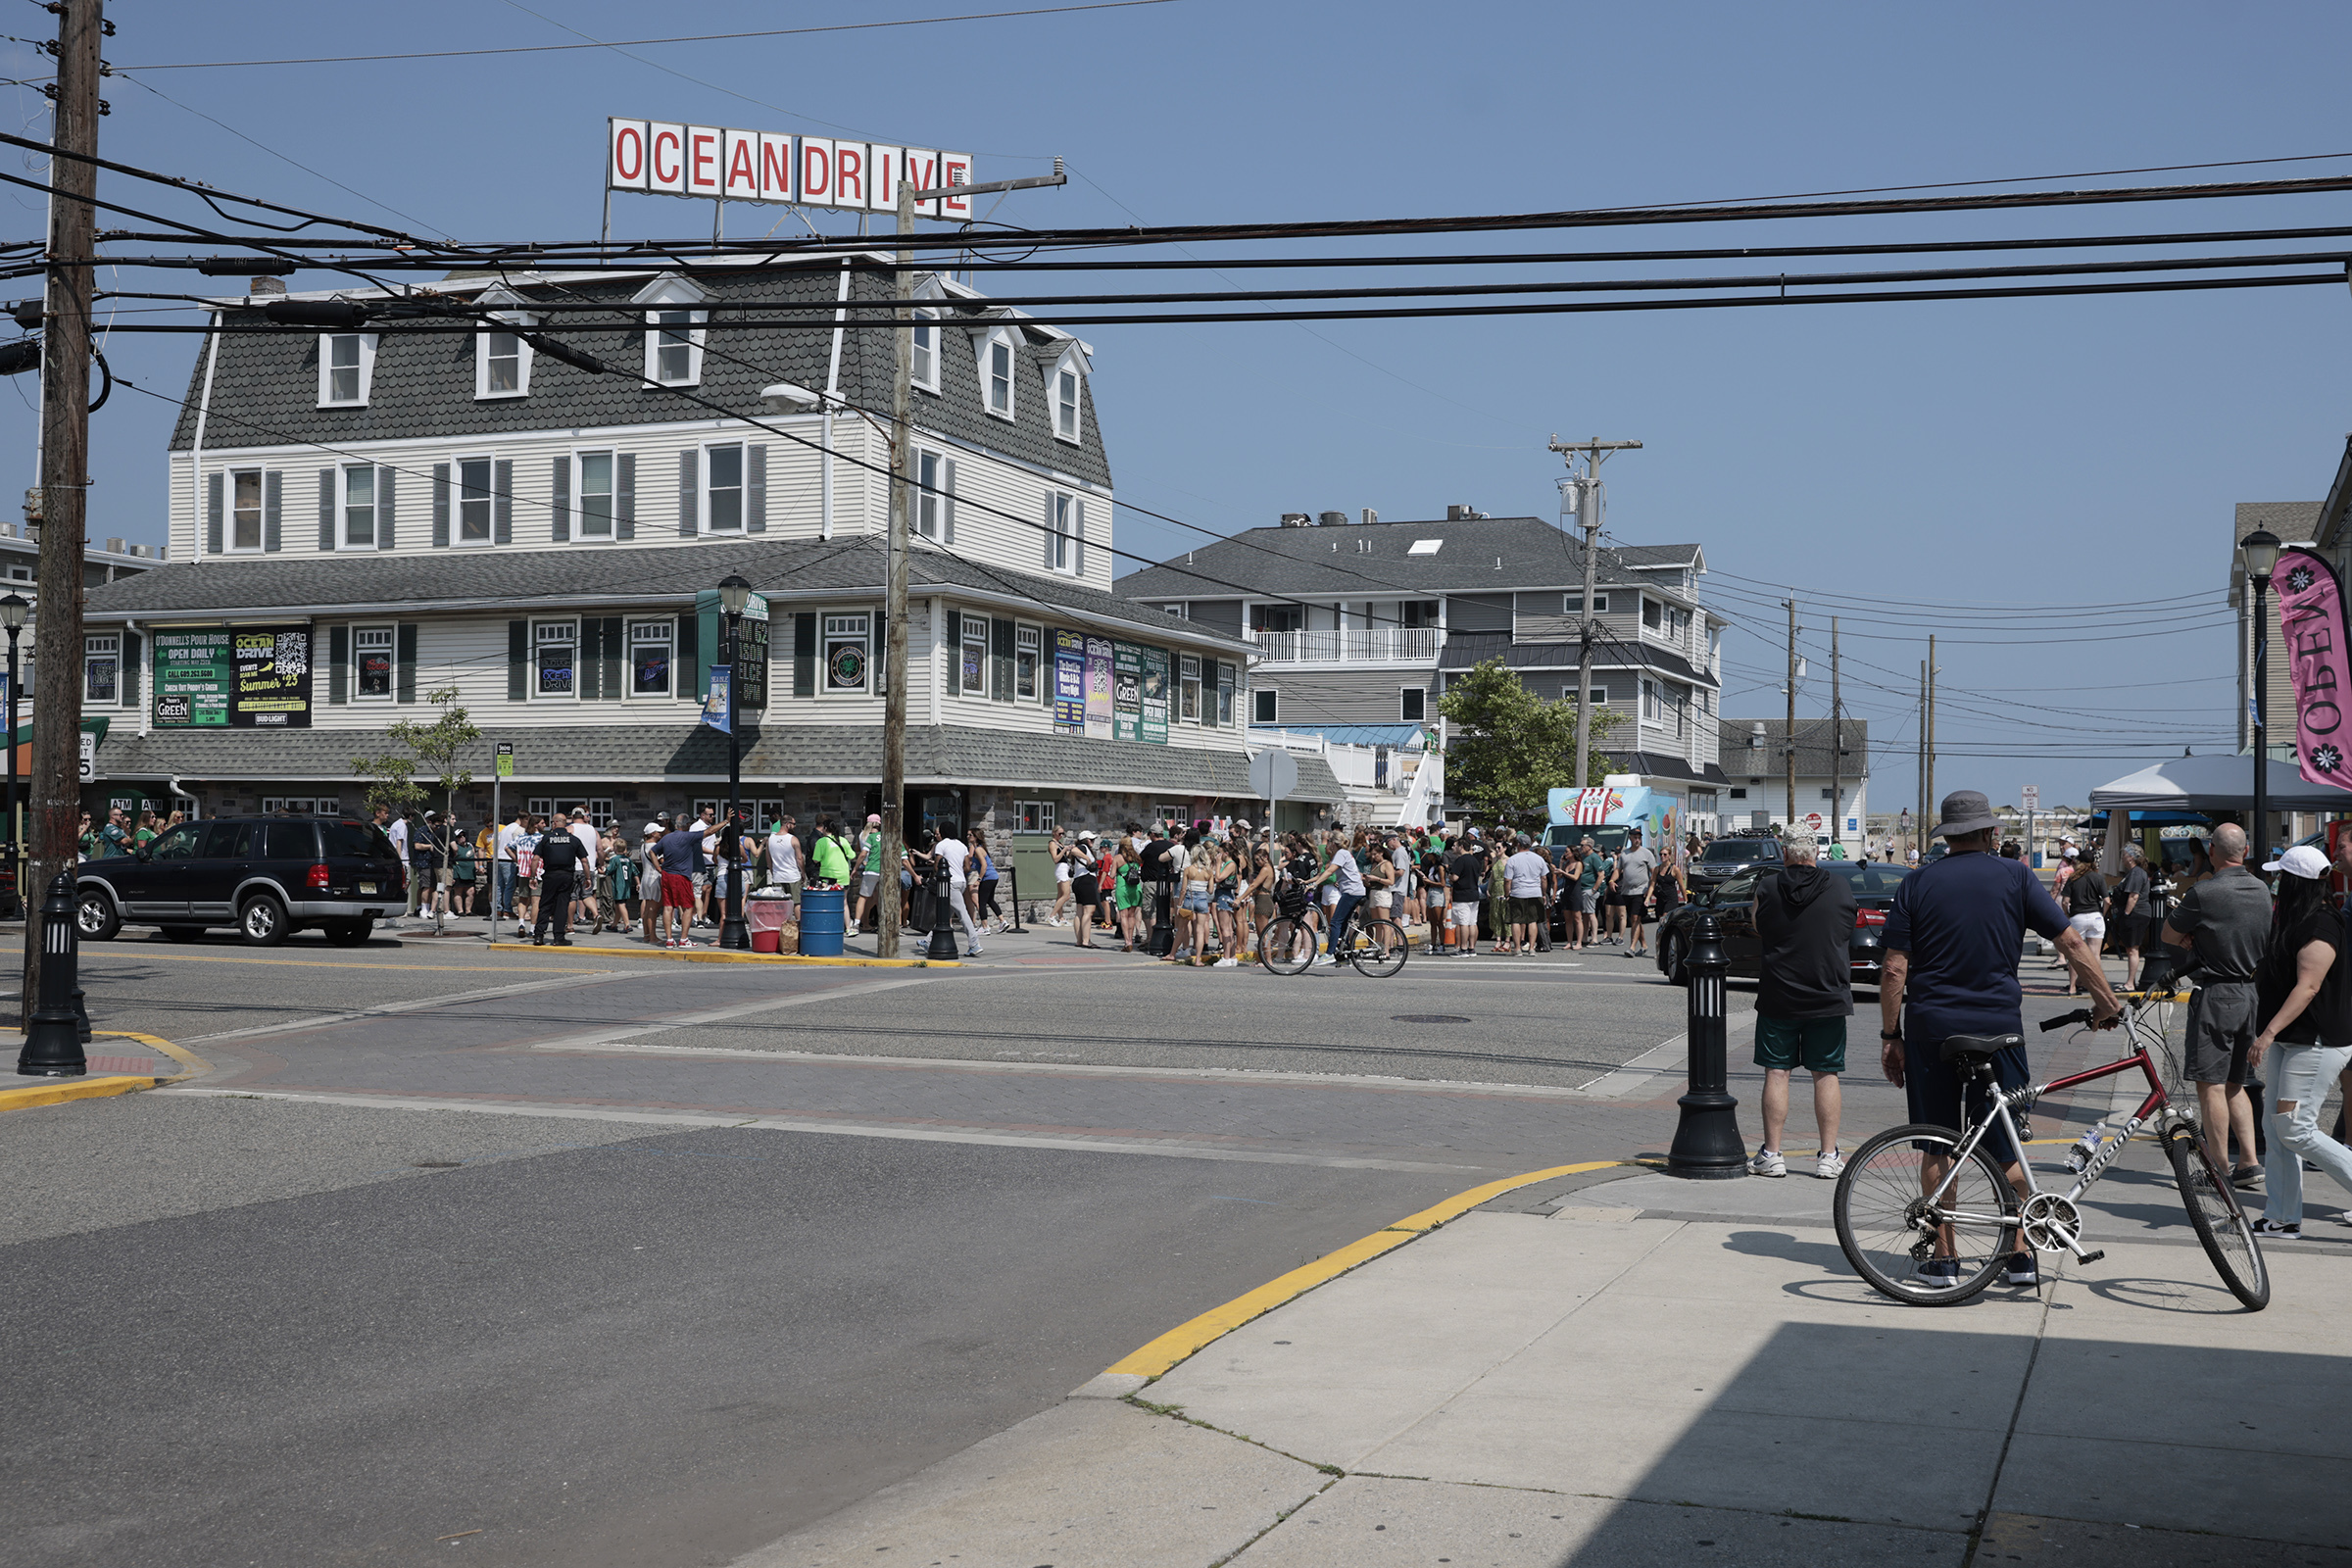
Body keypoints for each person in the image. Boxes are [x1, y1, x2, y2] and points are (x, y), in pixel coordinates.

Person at [1881, 791, 2121, 1290]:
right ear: (1991, 834)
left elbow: (1894, 968)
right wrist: (2106, 1002)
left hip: (1932, 1028)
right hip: (1999, 1027)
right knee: (2005, 1142)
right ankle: (2020, 1253)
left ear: (1946, 836)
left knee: (1936, 1143)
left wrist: (1890, 1035)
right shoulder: (2016, 877)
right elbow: (2071, 943)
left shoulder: (1917, 883)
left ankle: (1943, 1259)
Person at [2247, 842, 2352, 1238]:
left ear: (2295, 882)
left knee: (2295, 1129)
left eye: (2280, 877)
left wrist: (2267, 1034)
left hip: (2316, 1043)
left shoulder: (2321, 924)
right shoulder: (2296, 919)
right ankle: (2282, 1216)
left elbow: (2308, 988)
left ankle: (2285, 1214)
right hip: (2294, 1042)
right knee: (2276, 1129)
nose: (2275, 883)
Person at [2161, 822, 2268, 1185]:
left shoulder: (2204, 892)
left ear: (2211, 851)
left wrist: (2194, 937)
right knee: (2238, 1081)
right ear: (2247, 849)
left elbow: (2169, 934)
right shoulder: (2262, 890)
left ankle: (2218, 1168)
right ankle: (2250, 1161)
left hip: (2217, 993)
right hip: (2250, 992)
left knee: (2211, 1085)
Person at [1748, 832, 1855, 1179]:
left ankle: (1773, 1153)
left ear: (1785, 853)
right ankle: (1828, 1155)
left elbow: (1756, 925)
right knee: (1825, 1073)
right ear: (1817, 852)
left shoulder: (1767, 887)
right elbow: (1846, 929)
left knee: (1777, 1072)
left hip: (1779, 994)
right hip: (1827, 994)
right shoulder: (1839, 886)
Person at [931, 818, 984, 956]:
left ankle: (974, 943)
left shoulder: (941, 845)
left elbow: (937, 865)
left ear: (942, 832)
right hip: (961, 881)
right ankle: (928, 940)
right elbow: (967, 867)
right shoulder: (962, 845)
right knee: (944, 915)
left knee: (962, 913)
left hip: (949, 883)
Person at [532, 809, 584, 947]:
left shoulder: (546, 838)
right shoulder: (573, 839)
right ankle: (558, 937)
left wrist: (533, 876)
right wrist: (588, 877)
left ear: (555, 823)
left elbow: (535, 858)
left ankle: (538, 936)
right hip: (566, 876)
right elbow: (584, 860)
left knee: (545, 905)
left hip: (550, 875)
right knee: (562, 906)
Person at [2059, 852, 2107, 998]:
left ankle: (2072, 987)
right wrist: (2102, 914)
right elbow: (2107, 900)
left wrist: (2067, 914)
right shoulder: (2098, 878)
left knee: (2074, 954)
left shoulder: (2073, 878)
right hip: (2095, 917)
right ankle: (2093, 985)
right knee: (2095, 954)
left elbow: (2065, 901)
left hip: (2077, 917)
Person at [655, 818, 705, 949]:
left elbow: (652, 852)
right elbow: (709, 831)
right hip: (681, 875)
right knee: (688, 906)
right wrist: (725, 821)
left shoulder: (666, 838)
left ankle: (670, 940)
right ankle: (683, 939)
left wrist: (658, 868)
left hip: (666, 875)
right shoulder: (688, 836)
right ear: (687, 825)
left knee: (667, 907)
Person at [2109, 843, 2152, 990]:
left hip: (2136, 914)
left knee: (2132, 949)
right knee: (2131, 948)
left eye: (2124, 855)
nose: (2122, 858)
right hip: (2137, 914)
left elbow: (2133, 896)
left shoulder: (2136, 873)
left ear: (2131, 857)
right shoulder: (2134, 873)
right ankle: (2130, 981)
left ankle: (2130, 983)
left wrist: (2126, 914)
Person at [1502, 834, 1548, 956]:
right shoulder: (1538, 859)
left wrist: (1507, 894)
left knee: (1516, 921)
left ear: (1518, 845)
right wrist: (1544, 893)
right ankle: (1532, 948)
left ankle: (1517, 948)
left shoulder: (1513, 859)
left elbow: (1508, 880)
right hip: (1535, 892)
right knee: (1533, 920)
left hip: (1518, 892)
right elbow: (1544, 878)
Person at [1616, 828, 1659, 957]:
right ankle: (1644, 944)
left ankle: (1632, 947)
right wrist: (1612, 881)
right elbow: (1618, 870)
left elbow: (1654, 872)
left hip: (1641, 891)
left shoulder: (1646, 853)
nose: (1637, 840)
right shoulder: (1624, 854)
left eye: (1639, 837)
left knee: (1635, 918)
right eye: (1635, 837)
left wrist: (1651, 889)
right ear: (1630, 838)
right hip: (1627, 891)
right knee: (1636, 919)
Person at [1070, 829, 1103, 949]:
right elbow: (1073, 850)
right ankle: (1086, 940)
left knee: (1079, 912)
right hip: (1087, 881)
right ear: (1086, 840)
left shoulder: (1083, 847)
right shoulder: (1083, 847)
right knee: (1088, 912)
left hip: (1078, 881)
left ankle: (1079, 940)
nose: (1093, 841)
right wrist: (1088, 859)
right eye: (1091, 839)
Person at [766, 812, 802, 923]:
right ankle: (799, 927)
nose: (795, 826)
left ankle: (780, 927)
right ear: (787, 824)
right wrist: (803, 873)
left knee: (780, 904)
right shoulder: (793, 839)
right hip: (793, 876)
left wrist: (773, 872)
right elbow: (800, 859)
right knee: (796, 902)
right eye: (794, 824)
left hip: (778, 876)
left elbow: (769, 860)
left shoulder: (770, 840)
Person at [1047, 825, 1074, 926]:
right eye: (1059, 833)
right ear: (1054, 833)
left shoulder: (1060, 843)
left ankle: (1061, 918)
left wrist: (1070, 850)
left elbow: (1067, 856)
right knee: (1066, 895)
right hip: (1060, 869)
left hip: (1065, 867)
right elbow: (1055, 859)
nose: (1061, 835)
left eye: (1063, 833)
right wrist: (1064, 850)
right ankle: (1051, 916)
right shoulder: (1052, 844)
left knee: (1060, 895)